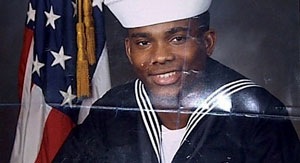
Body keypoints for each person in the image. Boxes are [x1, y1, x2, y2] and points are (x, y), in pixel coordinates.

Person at [54, 0, 300, 162]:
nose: (160, 56)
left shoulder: (256, 116)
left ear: (207, 42)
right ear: (129, 51)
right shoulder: (111, 113)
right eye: (144, 43)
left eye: (178, 39)